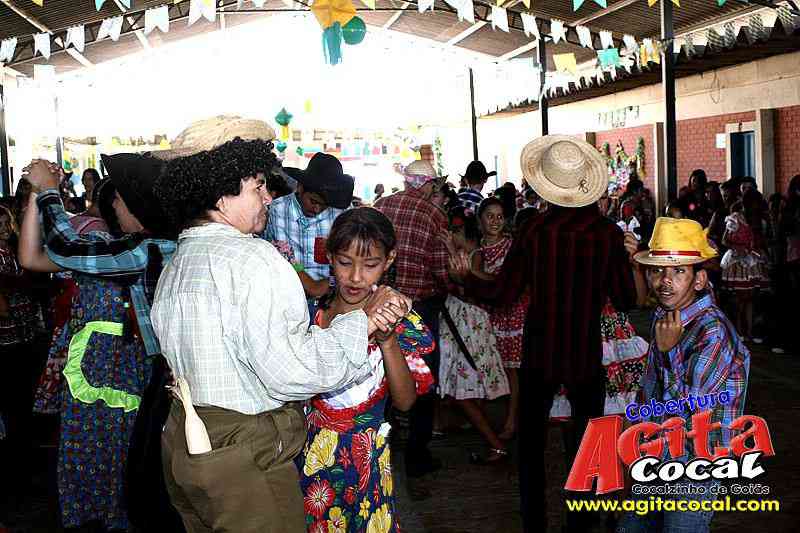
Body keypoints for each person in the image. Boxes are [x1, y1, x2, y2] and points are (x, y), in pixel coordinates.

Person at [151, 134, 411, 533]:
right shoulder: (253, 258)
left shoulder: (178, 261)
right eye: (257, 186)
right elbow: (295, 371)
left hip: (186, 445)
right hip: (241, 457)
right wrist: (364, 322)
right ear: (223, 196)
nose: (269, 197)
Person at [449, 135, 639, 532]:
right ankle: (581, 525)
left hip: (541, 352)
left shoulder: (534, 231)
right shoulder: (606, 233)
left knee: (532, 450)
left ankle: (534, 524)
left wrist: (466, 278)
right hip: (585, 354)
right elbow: (624, 299)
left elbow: (502, 292)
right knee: (585, 447)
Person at [18, 155, 179, 532]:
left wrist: (47, 192)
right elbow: (33, 257)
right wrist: (36, 195)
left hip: (136, 369)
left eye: (119, 198)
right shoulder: (139, 247)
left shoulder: (141, 251)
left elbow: (63, 249)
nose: (114, 205)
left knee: (130, 460)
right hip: (111, 369)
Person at [298, 207, 435, 533]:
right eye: (345, 262)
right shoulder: (313, 313)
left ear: (388, 261)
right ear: (330, 256)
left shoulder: (394, 317)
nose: (356, 277)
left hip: (365, 461)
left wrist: (388, 343)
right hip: (307, 456)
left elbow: (405, 402)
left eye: (370, 265)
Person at [619, 217, 750, 533]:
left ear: (700, 279)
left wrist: (668, 350)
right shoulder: (666, 315)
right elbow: (651, 385)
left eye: (679, 271)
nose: (666, 281)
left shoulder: (713, 330)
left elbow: (687, 405)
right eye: (658, 270)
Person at [375, 159, 449, 483]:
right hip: (419, 308)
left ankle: (382, 446)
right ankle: (417, 455)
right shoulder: (435, 215)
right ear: (428, 186)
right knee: (423, 380)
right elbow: (442, 271)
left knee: (383, 376)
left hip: (381, 305)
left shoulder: (381, 207)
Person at [438, 207, 510, 462]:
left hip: (468, 324)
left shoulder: (475, 256)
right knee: (467, 384)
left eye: (454, 231)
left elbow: (469, 288)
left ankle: (495, 443)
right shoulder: (467, 254)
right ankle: (487, 435)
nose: (450, 235)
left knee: (465, 387)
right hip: (463, 323)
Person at [262, 152, 354, 316]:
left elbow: (352, 262)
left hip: (332, 302)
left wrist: (328, 285)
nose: (317, 209)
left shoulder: (343, 214)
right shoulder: (275, 211)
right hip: (286, 303)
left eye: (324, 205)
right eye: (313, 201)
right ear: (300, 187)